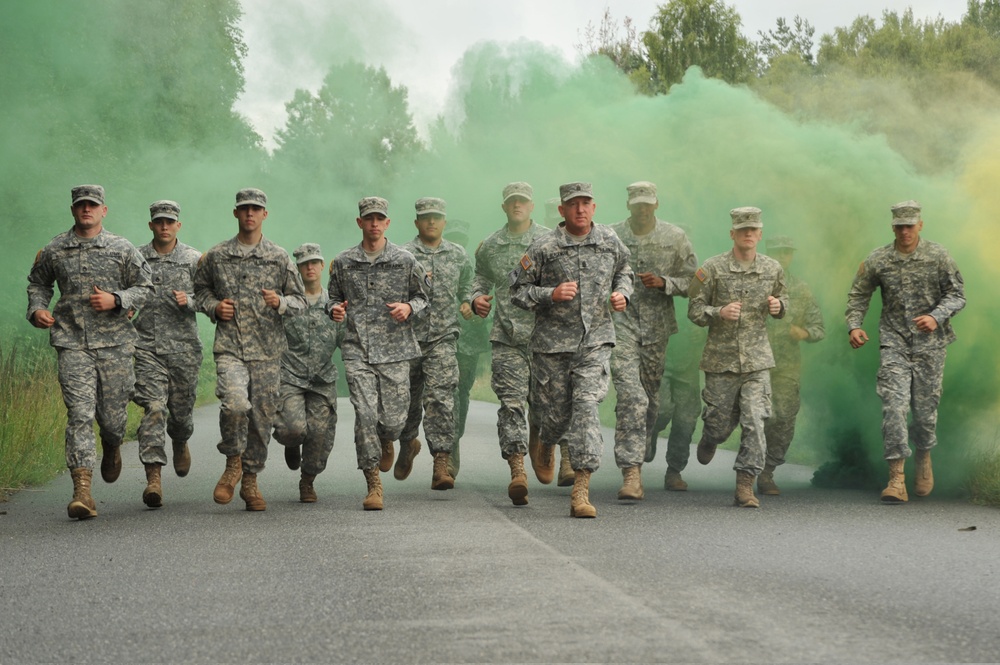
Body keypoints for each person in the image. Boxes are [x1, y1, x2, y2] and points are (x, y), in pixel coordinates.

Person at [27, 184, 153, 520]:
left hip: (115, 344)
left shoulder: (122, 248)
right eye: (81, 205)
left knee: (112, 421)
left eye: (92, 205)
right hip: (71, 342)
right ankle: (83, 490)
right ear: (73, 210)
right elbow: (38, 283)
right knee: (79, 415)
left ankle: (111, 445)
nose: (86, 210)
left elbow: (146, 287)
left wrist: (118, 299)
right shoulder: (55, 249)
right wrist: (37, 309)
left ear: (103, 210)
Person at [510, 182, 634, 518]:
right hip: (552, 345)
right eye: (573, 204)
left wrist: (623, 293)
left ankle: (581, 488)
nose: (580, 209)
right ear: (562, 210)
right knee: (556, 416)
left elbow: (626, 271)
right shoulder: (543, 246)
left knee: (586, 407)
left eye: (586, 203)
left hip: (595, 340)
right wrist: (550, 293)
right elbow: (517, 291)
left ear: (594, 207)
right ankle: (545, 440)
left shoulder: (609, 241)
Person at [194, 188, 306, 512]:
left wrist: (281, 302)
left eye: (256, 209)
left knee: (261, 418)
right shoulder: (216, 256)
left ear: (265, 215)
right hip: (230, 346)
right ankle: (233, 463)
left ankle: (251, 480)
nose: (249, 214)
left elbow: (301, 300)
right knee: (235, 405)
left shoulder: (279, 257)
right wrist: (214, 307)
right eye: (244, 209)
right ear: (235, 213)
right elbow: (199, 291)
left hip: (268, 351)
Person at [845, 200, 965, 503]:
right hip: (894, 342)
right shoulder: (879, 259)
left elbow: (957, 295)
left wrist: (935, 316)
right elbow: (859, 294)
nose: (904, 231)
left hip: (931, 346)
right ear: (892, 227)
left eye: (910, 226)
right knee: (894, 407)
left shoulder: (938, 256)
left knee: (924, 415)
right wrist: (854, 326)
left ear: (920, 225)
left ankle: (923, 455)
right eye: (899, 226)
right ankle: (896, 478)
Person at [327, 196, 428, 510]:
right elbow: (330, 298)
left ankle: (393, 440)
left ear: (387, 223)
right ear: (360, 223)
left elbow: (426, 298)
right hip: (358, 350)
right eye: (368, 218)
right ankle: (373, 484)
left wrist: (409, 307)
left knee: (394, 423)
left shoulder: (405, 260)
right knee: (365, 415)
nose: (373, 223)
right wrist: (334, 310)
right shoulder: (343, 262)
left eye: (379, 218)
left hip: (396, 352)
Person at [687, 206, 787, 508]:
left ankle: (745, 484)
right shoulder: (712, 268)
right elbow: (694, 310)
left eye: (753, 229)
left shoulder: (773, 268)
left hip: (757, 362)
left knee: (755, 420)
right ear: (732, 234)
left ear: (759, 234)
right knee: (719, 424)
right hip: (721, 362)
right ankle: (710, 437)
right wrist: (719, 312)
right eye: (742, 230)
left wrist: (779, 307)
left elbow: (784, 300)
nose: (748, 234)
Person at [609, 181, 697, 501]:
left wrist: (665, 283)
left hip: (657, 331)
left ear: (656, 204)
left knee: (651, 402)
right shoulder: (611, 235)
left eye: (647, 203)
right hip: (622, 326)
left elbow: (694, 283)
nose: (642, 209)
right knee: (632, 395)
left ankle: (642, 444)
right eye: (637, 204)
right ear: (629, 205)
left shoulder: (675, 238)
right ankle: (631, 472)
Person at [470, 182, 551, 506]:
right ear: (504, 207)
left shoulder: (549, 241)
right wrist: (476, 297)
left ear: (531, 206)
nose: (517, 205)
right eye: (511, 201)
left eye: (523, 201)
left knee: (546, 408)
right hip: (506, 336)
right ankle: (517, 469)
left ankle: (542, 441)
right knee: (511, 404)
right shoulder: (490, 245)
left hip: (546, 337)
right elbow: (479, 278)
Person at [395, 197, 473, 490]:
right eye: (426, 217)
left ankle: (441, 462)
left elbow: (467, 284)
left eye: (437, 217)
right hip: (408, 339)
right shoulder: (402, 254)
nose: (431, 222)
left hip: (443, 337)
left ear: (444, 221)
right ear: (417, 222)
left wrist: (467, 301)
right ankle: (407, 442)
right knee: (407, 403)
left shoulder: (458, 254)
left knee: (441, 398)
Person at [132, 200, 203, 509]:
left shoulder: (194, 259)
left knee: (181, 413)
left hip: (184, 349)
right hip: (146, 347)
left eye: (169, 221)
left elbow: (213, 298)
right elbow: (124, 292)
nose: (164, 226)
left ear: (178, 225)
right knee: (154, 408)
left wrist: (191, 300)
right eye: (159, 221)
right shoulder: (135, 258)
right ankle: (153, 479)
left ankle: (180, 439)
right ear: (151, 225)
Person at [272, 243, 343, 503]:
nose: (310, 267)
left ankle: (307, 480)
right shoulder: (287, 302)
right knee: (293, 429)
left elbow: (347, 340)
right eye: (304, 264)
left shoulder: (335, 304)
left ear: (323, 266)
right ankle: (292, 443)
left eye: (314, 262)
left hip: (322, 379)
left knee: (320, 433)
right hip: (290, 374)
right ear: (297, 269)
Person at [760, 235, 825, 495]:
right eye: (776, 252)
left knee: (784, 417)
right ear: (767, 253)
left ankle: (767, 472)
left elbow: (819, 327)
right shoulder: (752, 283)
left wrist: (805, 333)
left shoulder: (801, 288)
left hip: (786, 366)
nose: (781, 257)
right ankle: (748, 467)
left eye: (786, 253)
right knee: (756, 416)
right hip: (752, 362)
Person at [445, 219, 490, 479]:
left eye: (460, 239)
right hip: (439, 340)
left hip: (468, 344)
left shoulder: (474, 268)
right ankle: (447, 452)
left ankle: (454, 441)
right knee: (442, 396)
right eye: (453, 238)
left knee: (461, 393)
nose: (457, 244)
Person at [648, 317, 706, 490]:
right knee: (660, 409)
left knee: (685, 421)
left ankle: (674, 471)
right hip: (658, 357)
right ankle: (652, 430)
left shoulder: (697, 290)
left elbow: (714, 309)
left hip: (688, 361)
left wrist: (704, 331)